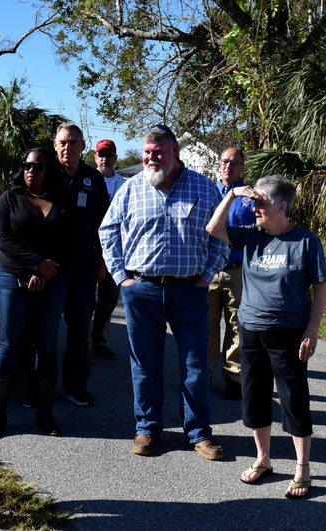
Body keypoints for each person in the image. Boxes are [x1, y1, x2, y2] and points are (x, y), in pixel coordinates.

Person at [98, 124, 228, 460]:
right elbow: (107, 230)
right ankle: (147, 429)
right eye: (146, 152)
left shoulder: (204, 187)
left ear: (175, 153)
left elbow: (222, 237)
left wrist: (207, 275)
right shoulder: (131, 189)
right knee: (145, 365)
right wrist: (121, 277)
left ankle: (199, 433)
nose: (150, 158)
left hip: (190, 291)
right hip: (142, 291)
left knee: (196, 366)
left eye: (158, 152)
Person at [206, 174, 326, 498]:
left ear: (282, 206)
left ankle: (303, 468)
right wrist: (232, 195)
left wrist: (312, 330)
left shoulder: (305, 241)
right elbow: (213, 229)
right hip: (250, 330)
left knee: (293, 400)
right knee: (255, 398)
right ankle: (263, 460)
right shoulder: (251, 236)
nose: (254, 207)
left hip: (288, 334)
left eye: (260, 202)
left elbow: (320, 287)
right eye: (253, 201)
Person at [0, 147, 76, 439]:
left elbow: (70, 242)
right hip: (12, 277)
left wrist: (47, 271)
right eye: (26, 165)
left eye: (38, 166)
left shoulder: (63, 202)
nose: (31, 170)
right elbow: (3, 241)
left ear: (49, 169)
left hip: (54, 279)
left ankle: (45, 413)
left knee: (47, 346)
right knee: (9, 345)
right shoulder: (8, 200)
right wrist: (35, 266)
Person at [54, 123, 110, 406]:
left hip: (84, 264)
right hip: (49, 267)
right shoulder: (44, 174)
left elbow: (102, 223)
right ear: (55, 145)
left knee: (79, 331)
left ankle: (75, 387)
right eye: (63, 142)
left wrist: (101, 260)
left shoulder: (93, 178)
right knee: (44, 330)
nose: (68, 147)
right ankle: (38, 388)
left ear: (83, 146)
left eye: (74, 142)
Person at [207, 147, 256, 401]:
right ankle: (204, 375)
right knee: (207, 326)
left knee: (237, 326)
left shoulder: (251, 197)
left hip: (238, 272)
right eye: (225, 161)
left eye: (235, 162)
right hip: (208, 271)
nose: (229, 166)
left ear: (242, 168)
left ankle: (234, 377)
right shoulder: (207, 191)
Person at [89, 138, 127, 361]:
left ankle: (99, 341)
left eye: (109, 154)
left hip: (114, 249)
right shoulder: (88, 180)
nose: (105, 159)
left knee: (109, 299)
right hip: (88, 247)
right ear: (95, 157)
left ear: (115, 157)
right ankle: (81, 345)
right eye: (101, 154)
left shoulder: (124, 184)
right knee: (84, 300)